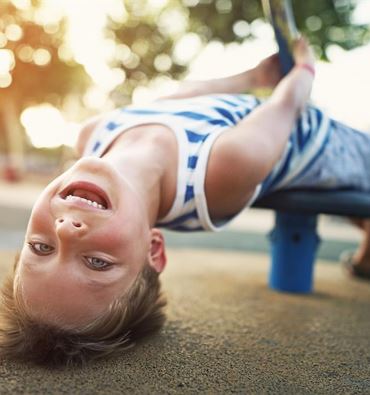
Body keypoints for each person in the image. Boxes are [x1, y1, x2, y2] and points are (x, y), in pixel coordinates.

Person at [0, 37, 369, 366]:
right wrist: (304, 66)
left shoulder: (93, 133)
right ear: (153, 250)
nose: (65, 231)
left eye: (40, 246)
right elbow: (286, 106)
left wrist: (253, 78)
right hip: (328, 145)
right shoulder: (220, 171)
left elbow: (173, 99)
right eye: (96, 262)